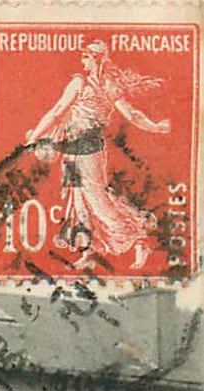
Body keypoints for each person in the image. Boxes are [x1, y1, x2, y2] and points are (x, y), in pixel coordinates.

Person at [25, 40, 173, 271]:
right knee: (78, 204)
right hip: (70, 151)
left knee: (98, 201)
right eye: (82, 56)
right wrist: (35, 136)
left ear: (97, 59)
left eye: (86, 56)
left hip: (90, 150)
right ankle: (88, 251)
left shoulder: (103, 84)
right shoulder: (82, 82)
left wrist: (155, 127)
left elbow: (131, 114)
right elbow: (57, 112)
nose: (82, 60)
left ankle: (138, 239)